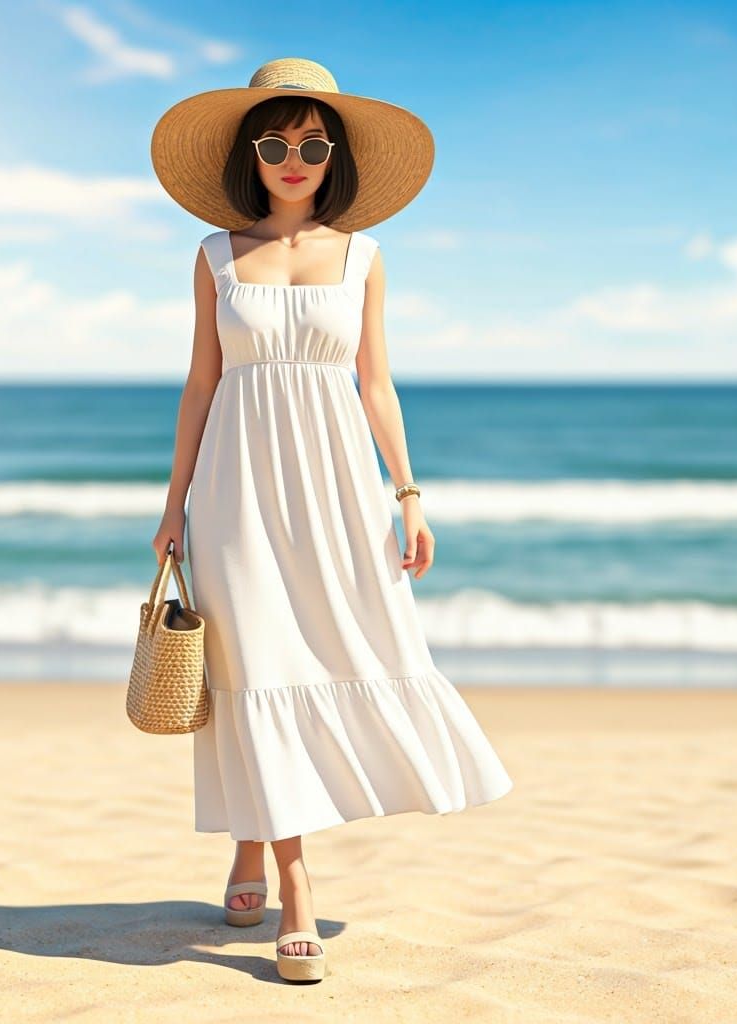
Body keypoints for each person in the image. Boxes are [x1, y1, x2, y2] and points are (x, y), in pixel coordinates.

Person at [149, 57, 513, 983]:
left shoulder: (364, 256)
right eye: (274, 142)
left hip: (338, 484)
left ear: (333, 151)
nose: (293, 158)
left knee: (338, 652)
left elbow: (376, 383)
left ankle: (246, 845)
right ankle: (295, 888)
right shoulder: (213, 256)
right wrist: (174, 501)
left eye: (312, 142)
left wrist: (409, 492)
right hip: (237, 487)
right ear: (251, 155)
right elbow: (202, 384)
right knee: (256, 666)